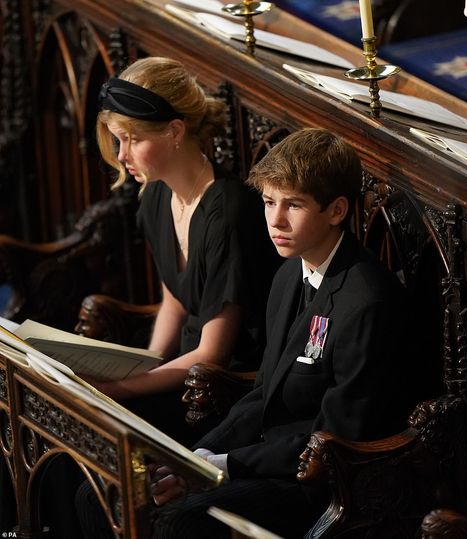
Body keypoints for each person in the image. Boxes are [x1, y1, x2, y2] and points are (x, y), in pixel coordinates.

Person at [143, 128, 416, 538]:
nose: (275, 220)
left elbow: (335, 437)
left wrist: (224, 466)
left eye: (294, 205)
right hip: (269, 458)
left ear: (336, 210)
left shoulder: (367, 302)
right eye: (269, 202)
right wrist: (198, 456)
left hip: (321, 480)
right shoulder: (288, 274)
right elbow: (263, 392)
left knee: (181, 518)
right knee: (131, 492)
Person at [84, 57, 279, 443]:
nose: (122, 156)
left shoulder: (228, 213)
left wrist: (122, 390)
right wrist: (145, 364)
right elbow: (174, 300)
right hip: (179, 372)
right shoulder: (155, 195)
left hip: (221, 393)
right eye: (119, 140)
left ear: (175, 131)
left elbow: (213, 355)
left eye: (134, 139)